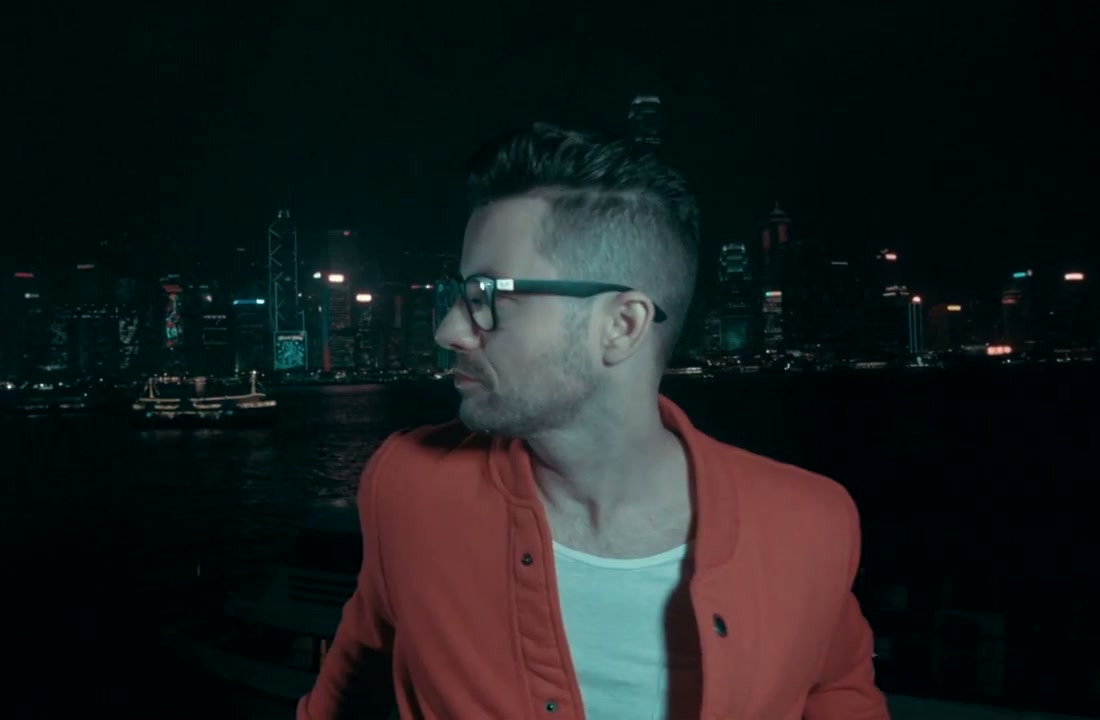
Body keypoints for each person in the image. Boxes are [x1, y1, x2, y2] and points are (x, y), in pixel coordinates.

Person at [297, 123, 889, 719]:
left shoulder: (811, 524)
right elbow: (349, 688)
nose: (449, 330)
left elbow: (839, 693)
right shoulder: (407, 486)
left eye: (487, 296)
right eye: (460, 295)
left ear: (622, 326)